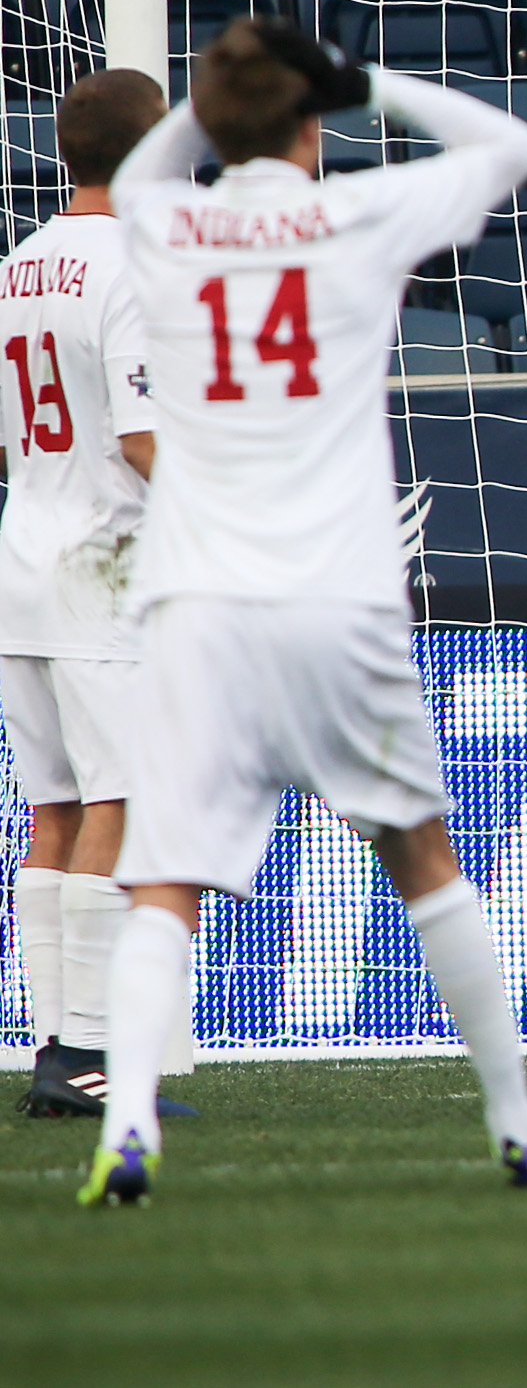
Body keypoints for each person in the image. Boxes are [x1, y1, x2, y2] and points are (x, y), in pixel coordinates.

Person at [84, 19, 527, 1206]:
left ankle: (127, 1122)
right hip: (337, 595)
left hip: (195, 595)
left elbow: (148, 163)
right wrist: (369, 80)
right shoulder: (359, 215)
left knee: (164, 883)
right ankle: (513, 1121)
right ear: (314, 120)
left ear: (212, 124)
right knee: (421, 855)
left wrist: (225, 95)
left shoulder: (168, 219)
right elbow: (512, 144)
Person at [5, 70, 174, 1120]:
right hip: (98, 565)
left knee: (52, 813)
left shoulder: (17, 266)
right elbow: (146, 437)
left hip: (21, 547)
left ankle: (52, 1048)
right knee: (118, 799)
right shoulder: (135, 269)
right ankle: (87, 1056)